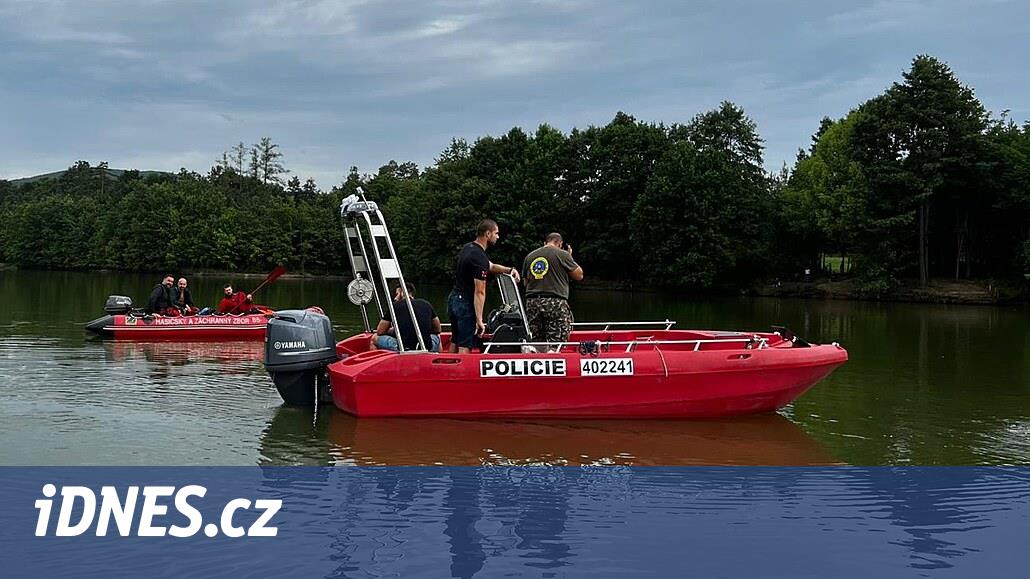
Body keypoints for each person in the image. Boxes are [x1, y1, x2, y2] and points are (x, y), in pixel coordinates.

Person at [447, 219, 521, 353]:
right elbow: (479, 292)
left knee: (456, 339)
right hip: (464, 303)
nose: (498, 237)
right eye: (496, 233)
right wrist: (479, 320)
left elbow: (491, 266)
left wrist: (509, 270)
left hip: (453, 299)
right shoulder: (478, 258)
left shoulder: (469, 248)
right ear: (488, 234)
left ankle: (445, 370)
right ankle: (463, 373)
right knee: (465, 344)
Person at [522, 232, 583, 350]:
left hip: (532, 302)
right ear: (560, 243)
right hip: (555, 302)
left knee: (537, 340)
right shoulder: (563, 254)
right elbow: (579, 275)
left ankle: (537, 361)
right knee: (557, 342)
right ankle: (554, 358)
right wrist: (570, 258)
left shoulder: (530, 256)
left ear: (545, 243)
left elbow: (525, 282)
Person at [369, 282, 442, 352]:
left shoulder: (394, 306)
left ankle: (380, 363)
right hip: (427, 347)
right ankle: (439, 361)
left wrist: (392, 331)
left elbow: (380, 331)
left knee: (374, 338)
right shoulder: (426, 304)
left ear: (402, 292)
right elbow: (438, 329)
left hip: (403, 348)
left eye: (397, 294)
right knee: (437, 336)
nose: (395, 298)